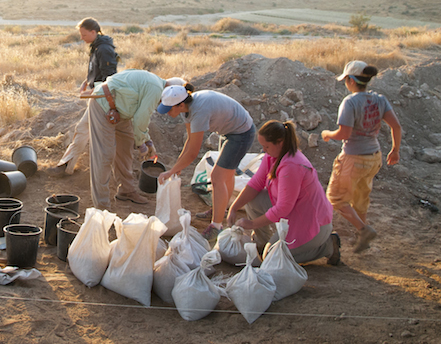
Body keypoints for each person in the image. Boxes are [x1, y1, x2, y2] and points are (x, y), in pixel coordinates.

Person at [227, 120, 340, 265]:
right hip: (294, 213)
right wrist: (234, 207)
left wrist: (251, 224)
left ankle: (327, 246)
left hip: (312, 223)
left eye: (266, 146)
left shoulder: (291, 166)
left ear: (279, 142)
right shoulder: (273, 156)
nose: (263, 150)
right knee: (253, 200)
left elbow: (283, 208)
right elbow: (255, 184)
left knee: (272, 259)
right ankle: (263, 243)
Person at [156, 83, 256, 240]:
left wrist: (172, 170)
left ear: (180, 104)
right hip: (230, 131)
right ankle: (220, 209)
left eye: (169, 109)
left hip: (241, 133)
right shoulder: (186, 109)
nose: (167, 113)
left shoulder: (199, 110)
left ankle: (216, 226)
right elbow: (190, 140)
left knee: (217, 176)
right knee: (226, 173)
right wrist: (177, 165)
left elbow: (193, 152)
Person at [321, 60, 402, 252]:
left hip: (353, 158)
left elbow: (344, 134)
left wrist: (327, 134)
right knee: (360, 198)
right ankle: (362, 238)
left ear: (350, 80)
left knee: (335, 198)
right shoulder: (380, 100)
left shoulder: (350, 102)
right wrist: (395, 150)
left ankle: (363, 230)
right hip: (374, 157)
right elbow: (396, 126)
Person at [87, 69, 183, 209]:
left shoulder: (156, 85)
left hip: (120, 110)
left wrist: (147, 141)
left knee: (125, 151)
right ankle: (101, 208)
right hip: (102, 105)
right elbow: (140, 120)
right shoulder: (156, 89)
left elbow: (141, 117)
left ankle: (126, 191)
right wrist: (141, 145)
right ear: (170, 89)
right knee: (104, 155)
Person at [51, 17, 118, 175]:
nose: (81, 38)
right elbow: (99, 71)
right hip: (98, 96)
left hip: (102, 99)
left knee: (86, 130)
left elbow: (111, 79)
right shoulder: (97, 47)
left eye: (84, 34)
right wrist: (88, 82)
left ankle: (67, 166)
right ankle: (67, 166)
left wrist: (93, 91)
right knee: (85, 130)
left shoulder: (103, 49)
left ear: (93, 32)